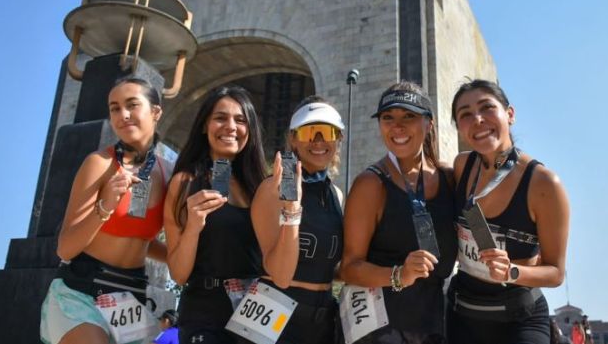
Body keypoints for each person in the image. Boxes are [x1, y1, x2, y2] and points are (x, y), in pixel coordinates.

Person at [40, 77, 169, 344]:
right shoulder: (99, 163)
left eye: (132, 105)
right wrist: (105, 205)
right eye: (114, 108)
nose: (123, 114)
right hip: (82, 291)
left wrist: (192, 262)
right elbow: (65, 248)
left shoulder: (170, 174)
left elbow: (142, 239)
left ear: (156, 112)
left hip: (130, 298)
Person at [445, 79, 570, 344]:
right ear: (459, 128)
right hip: (463, 313)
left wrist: (512, 271)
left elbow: (556, 273)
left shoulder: (544, 184)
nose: (477, 119)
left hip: (519, 317)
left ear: (509, 114)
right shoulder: (461, 167)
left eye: (486, 107)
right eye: (465, 114)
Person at [339, 81, 458, 344]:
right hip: (380, 329)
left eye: (409, 116)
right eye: (388, 118)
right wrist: (398, 275)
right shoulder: (370, 184)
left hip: (435, 326)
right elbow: (349, 267)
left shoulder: (450, 179)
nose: (397, 127)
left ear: (429, 123)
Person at [163, 85, 268, 344]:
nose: (231, 126)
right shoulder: (185, 182)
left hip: (258, 311)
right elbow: (178, 274)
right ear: (204, 126)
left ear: (250, 130)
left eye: (240, 120)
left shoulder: (261, 187)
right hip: (205, 312)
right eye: (220, 117)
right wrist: (194, 226)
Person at [249, 96, 346, 344]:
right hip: (274, 313)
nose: (317, 141)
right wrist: (292, 211)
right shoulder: (273, 188)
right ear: (293, 138)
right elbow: (281, 275)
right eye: (308, 132)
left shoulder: (335, 195)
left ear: (338, 139)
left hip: (321, 318)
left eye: (326, 131)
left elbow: (331, 266)